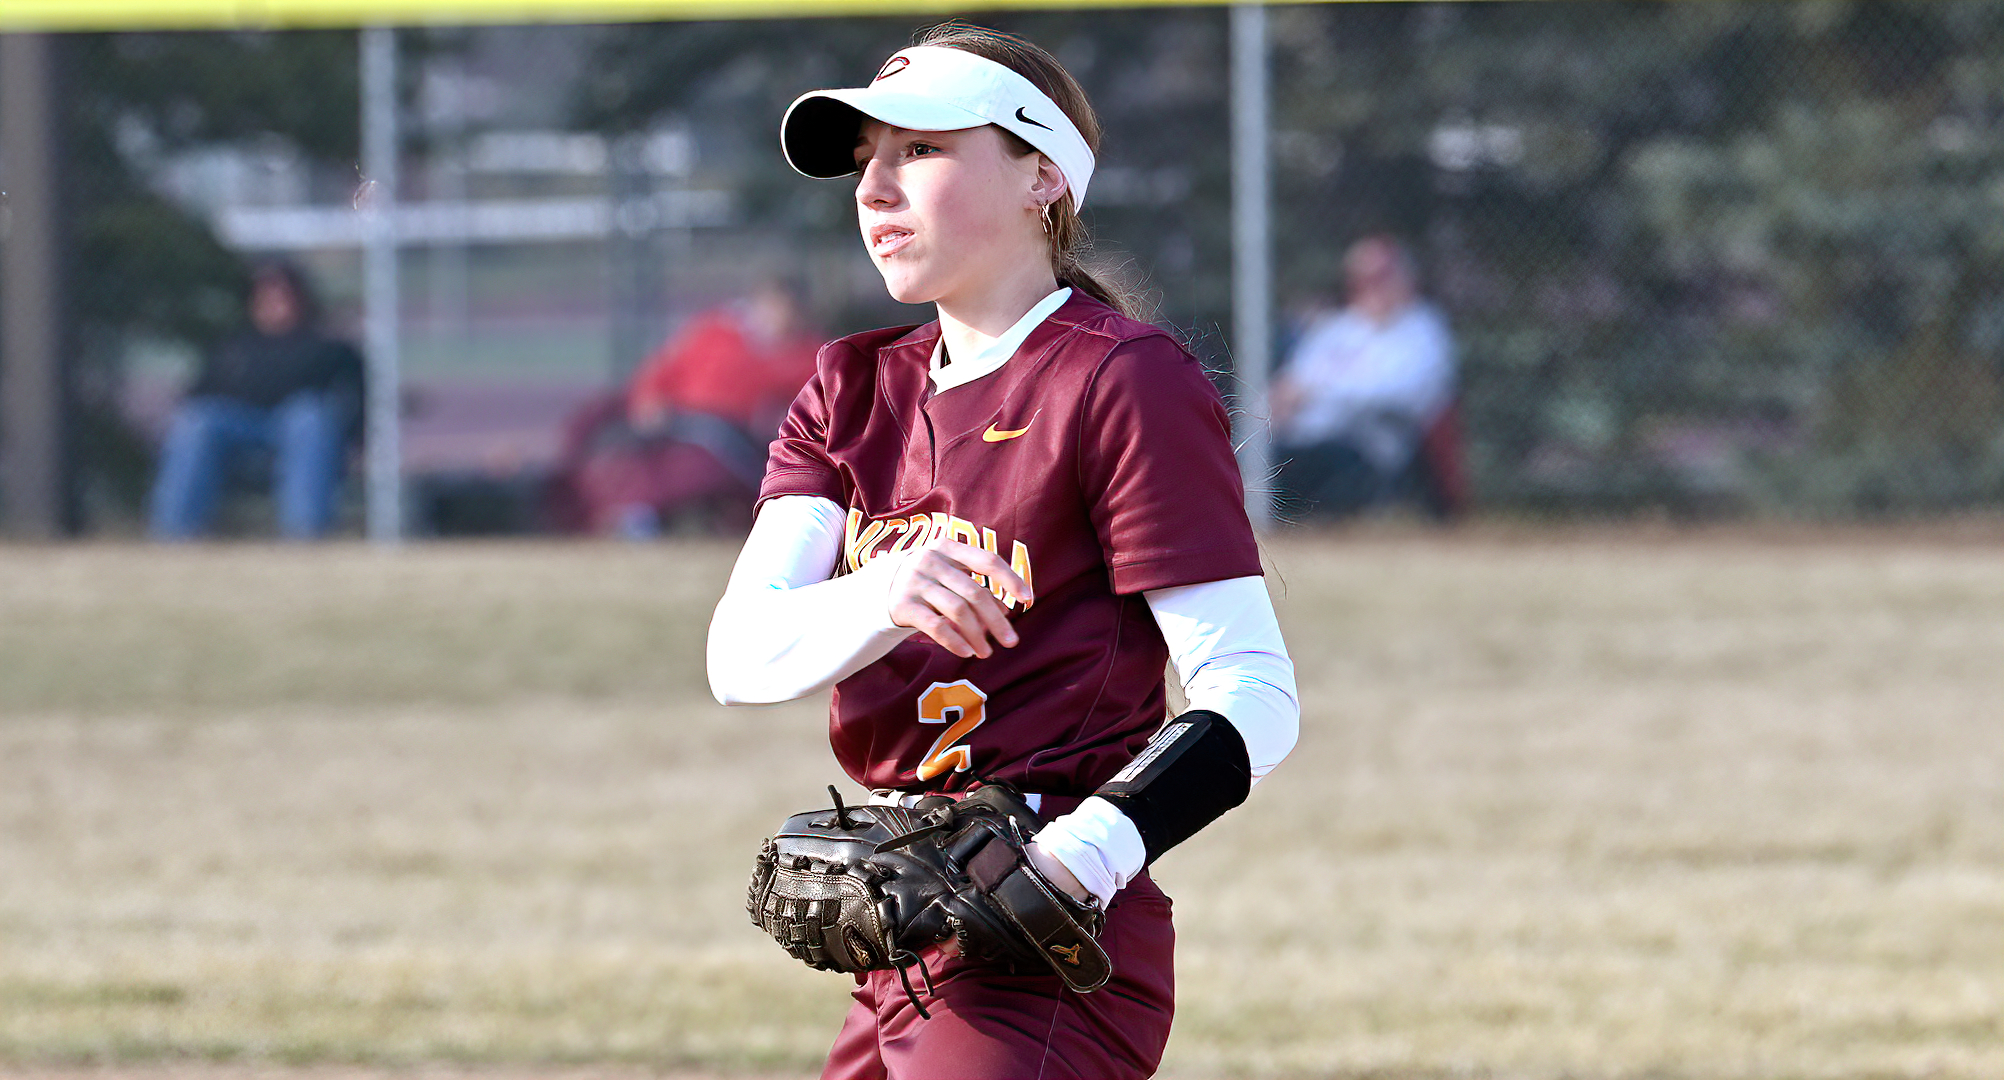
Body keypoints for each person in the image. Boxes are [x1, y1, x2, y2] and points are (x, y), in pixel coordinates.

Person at [706, 25, 1299, 1080]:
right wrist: (885, 591)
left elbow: (1252, 691)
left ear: (1040, 177)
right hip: (901, 930)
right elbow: (742, 656)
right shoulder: (850, 390)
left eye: (920, 151)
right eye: (864, 162)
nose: (875, 190)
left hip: (1045, 941)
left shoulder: (1121, 380)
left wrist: (1078, 860)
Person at [561, 281, 820, 536]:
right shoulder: (715, 331)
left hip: (729, 433)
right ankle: (605, 508)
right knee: (609, 439)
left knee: (693, 464)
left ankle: (645, 515)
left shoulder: (806, 353)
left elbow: (813, 403)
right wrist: (649, 399)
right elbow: (662, 371)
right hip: (673, 418)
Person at [149, 260, 362, 540]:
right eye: (266, 296)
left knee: (309, 417)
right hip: (237, 429)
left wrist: (353, 439)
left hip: (296, 429)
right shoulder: (232, 346)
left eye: (282, 296)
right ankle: (173, 535)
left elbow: (355, 400)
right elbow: (200, 395)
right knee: (198, 422)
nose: (275, 304)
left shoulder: (329, 349)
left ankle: (305, 536)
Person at [1270, 235, 1459, 520]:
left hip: (1369, 447)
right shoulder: (1335, 328)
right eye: (1362, 277)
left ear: (1405, 278)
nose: (1371, 285)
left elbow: (1405, 393)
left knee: (1305, 464)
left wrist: (1318, 392)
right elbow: (1293, 382)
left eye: (1381, 276)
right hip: (1306, 438)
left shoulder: (1423, 329)